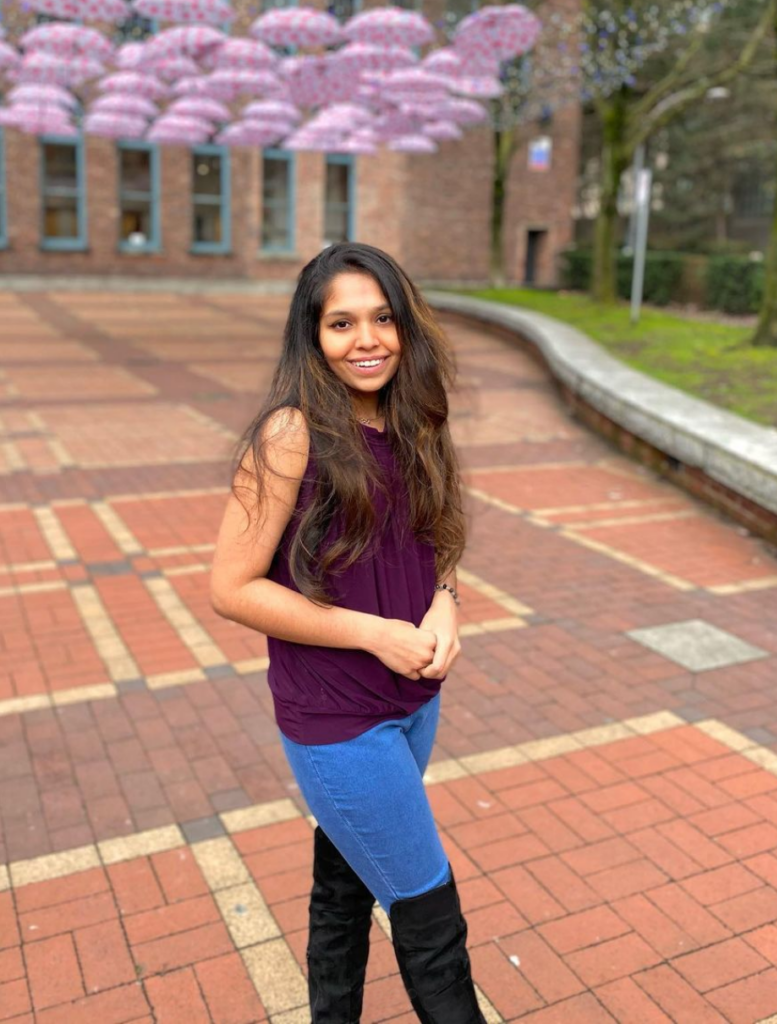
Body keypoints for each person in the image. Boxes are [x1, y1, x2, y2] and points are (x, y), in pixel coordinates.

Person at [210, 242, 486, 1024]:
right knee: (432, 923)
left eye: (382, 318)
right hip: (341, 721)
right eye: (342, 323)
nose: (367, 340)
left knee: (344, 885)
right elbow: (230, 589)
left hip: (414, 703)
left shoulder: (413, 418)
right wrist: (374, 633)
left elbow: (435, 543)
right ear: (313, 335)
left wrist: (445, 604)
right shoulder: (292, 433)